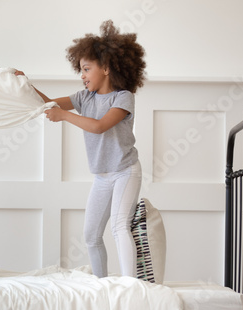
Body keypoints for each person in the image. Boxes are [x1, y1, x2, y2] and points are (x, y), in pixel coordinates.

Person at [17, 20, 146, 278]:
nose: (82, 75)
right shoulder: (84, 97)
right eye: (81, 69)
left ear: (107, 68)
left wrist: (63, 116)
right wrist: (23, 83)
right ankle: (101, 286)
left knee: (120, 226)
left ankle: (132, 287)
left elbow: (99, 126)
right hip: (102, 177)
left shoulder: (122, 97)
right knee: (91, 235)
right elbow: (48, 103)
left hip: (125, 172)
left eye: (86, 68)